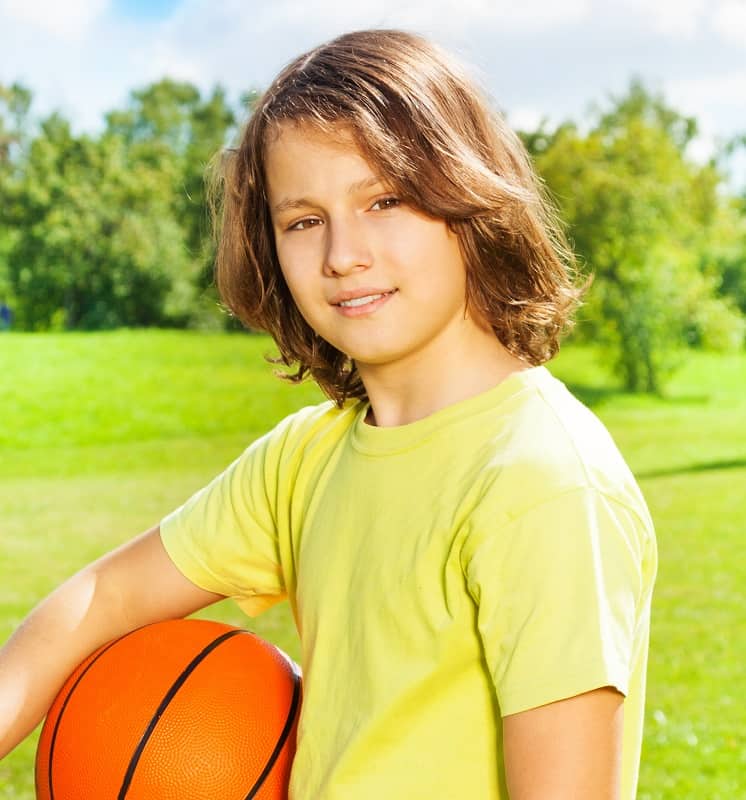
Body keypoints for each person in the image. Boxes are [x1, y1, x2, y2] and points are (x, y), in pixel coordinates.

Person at [0, 29, 657, 799]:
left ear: (471, 198)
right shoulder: (304, 460)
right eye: (303, 220)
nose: (343, 254)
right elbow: (103, 599)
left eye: (386, 200)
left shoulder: (543, 485)